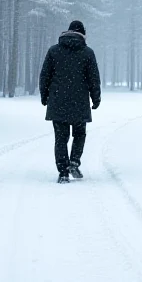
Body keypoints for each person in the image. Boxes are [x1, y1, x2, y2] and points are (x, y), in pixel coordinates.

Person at [39, 20, 101, 183]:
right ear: (83, 34)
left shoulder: (54, 51)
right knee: (79, 134)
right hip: (79, 102)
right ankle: (74, 162)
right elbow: (94, 79)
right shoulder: (87, 53)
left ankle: (63, 171)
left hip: (57, 101)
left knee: (61, 138)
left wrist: (44, 95)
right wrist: (96, 98)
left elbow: (45, 76)